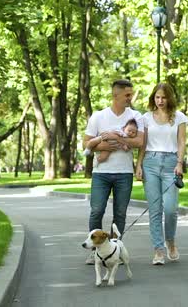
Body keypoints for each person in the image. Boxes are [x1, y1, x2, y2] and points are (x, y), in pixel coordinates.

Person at [82, 79, 144, 264]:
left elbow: (140, 142)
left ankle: (115, 251)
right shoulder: (98, 117)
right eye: (127, 94)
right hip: (101, 173)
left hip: (124, 173)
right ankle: (95, 251)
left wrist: (115, 140)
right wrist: (107, 144)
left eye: (131, 94)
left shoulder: (136, 116)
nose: (130, 98)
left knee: (120, 213)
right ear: (115, 95)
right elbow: (86, 144)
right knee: (97, 210)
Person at [135, 83, 188, 265]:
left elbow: (181, 142)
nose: (160, 101)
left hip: (171, 163)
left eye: (164, 97)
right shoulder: (146, 118)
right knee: (155, 209)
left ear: (170, 98)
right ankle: (158, 250)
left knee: (170, 209)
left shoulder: (179, 117)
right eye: (157, 97)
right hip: (150, 162)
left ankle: (170, 242)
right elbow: (143, 144)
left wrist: (180, 163)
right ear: (153, 98)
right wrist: (139, 165)